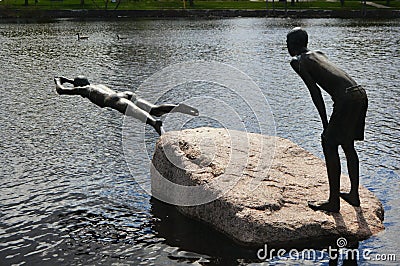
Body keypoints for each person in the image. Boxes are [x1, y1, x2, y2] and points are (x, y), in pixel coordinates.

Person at [286, 28, 368, 213]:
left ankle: (333, 202)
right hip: (360, 94)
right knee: (347, 145)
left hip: (346, 99)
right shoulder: (318, 53)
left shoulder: (297, 61)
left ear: (293, 44)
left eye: (287, 42)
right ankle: (353, 195)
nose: (286, 46)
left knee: (329, 144)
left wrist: (325, 125)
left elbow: (315, 93)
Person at [54, 76, 199, 135]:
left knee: (150, 120)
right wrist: (66, 78)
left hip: (114, 100)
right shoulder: (95, 85)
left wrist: (57, 81)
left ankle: (157, 125)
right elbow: (77, 82)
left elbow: (61, 91)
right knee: (154, 109)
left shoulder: (84, 90)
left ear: (79, 86)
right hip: (124, 94)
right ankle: (178, 108)